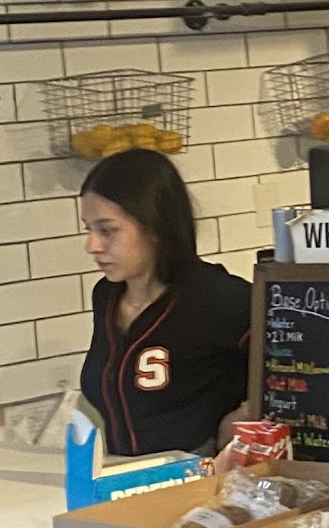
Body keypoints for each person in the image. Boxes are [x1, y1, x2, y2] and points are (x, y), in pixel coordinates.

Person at [78, 148, 251, 456]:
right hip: (124, 474)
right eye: (88, 229)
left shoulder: (215, 296)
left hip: (204, 480)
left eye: (107, 230)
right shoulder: (106, 296)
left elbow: (296, 358)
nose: (92, 245)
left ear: (156, 227)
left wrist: (247, 414)